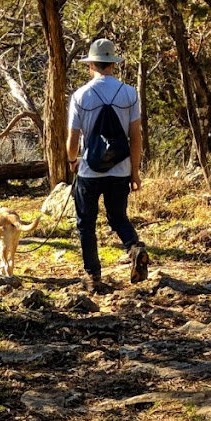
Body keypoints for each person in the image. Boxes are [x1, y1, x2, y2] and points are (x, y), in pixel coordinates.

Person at [66, 38, 148, 293]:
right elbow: (135, 137)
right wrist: (134, 172)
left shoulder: (81, 95)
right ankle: (135, 248)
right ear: (113, 64)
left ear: (90, 64)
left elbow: (72, 138)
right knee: (117, 217)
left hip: (89, 171)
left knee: (86, 223)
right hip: (120, 170)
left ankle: (93, 276)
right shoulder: (129, 93)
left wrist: (72, 161)